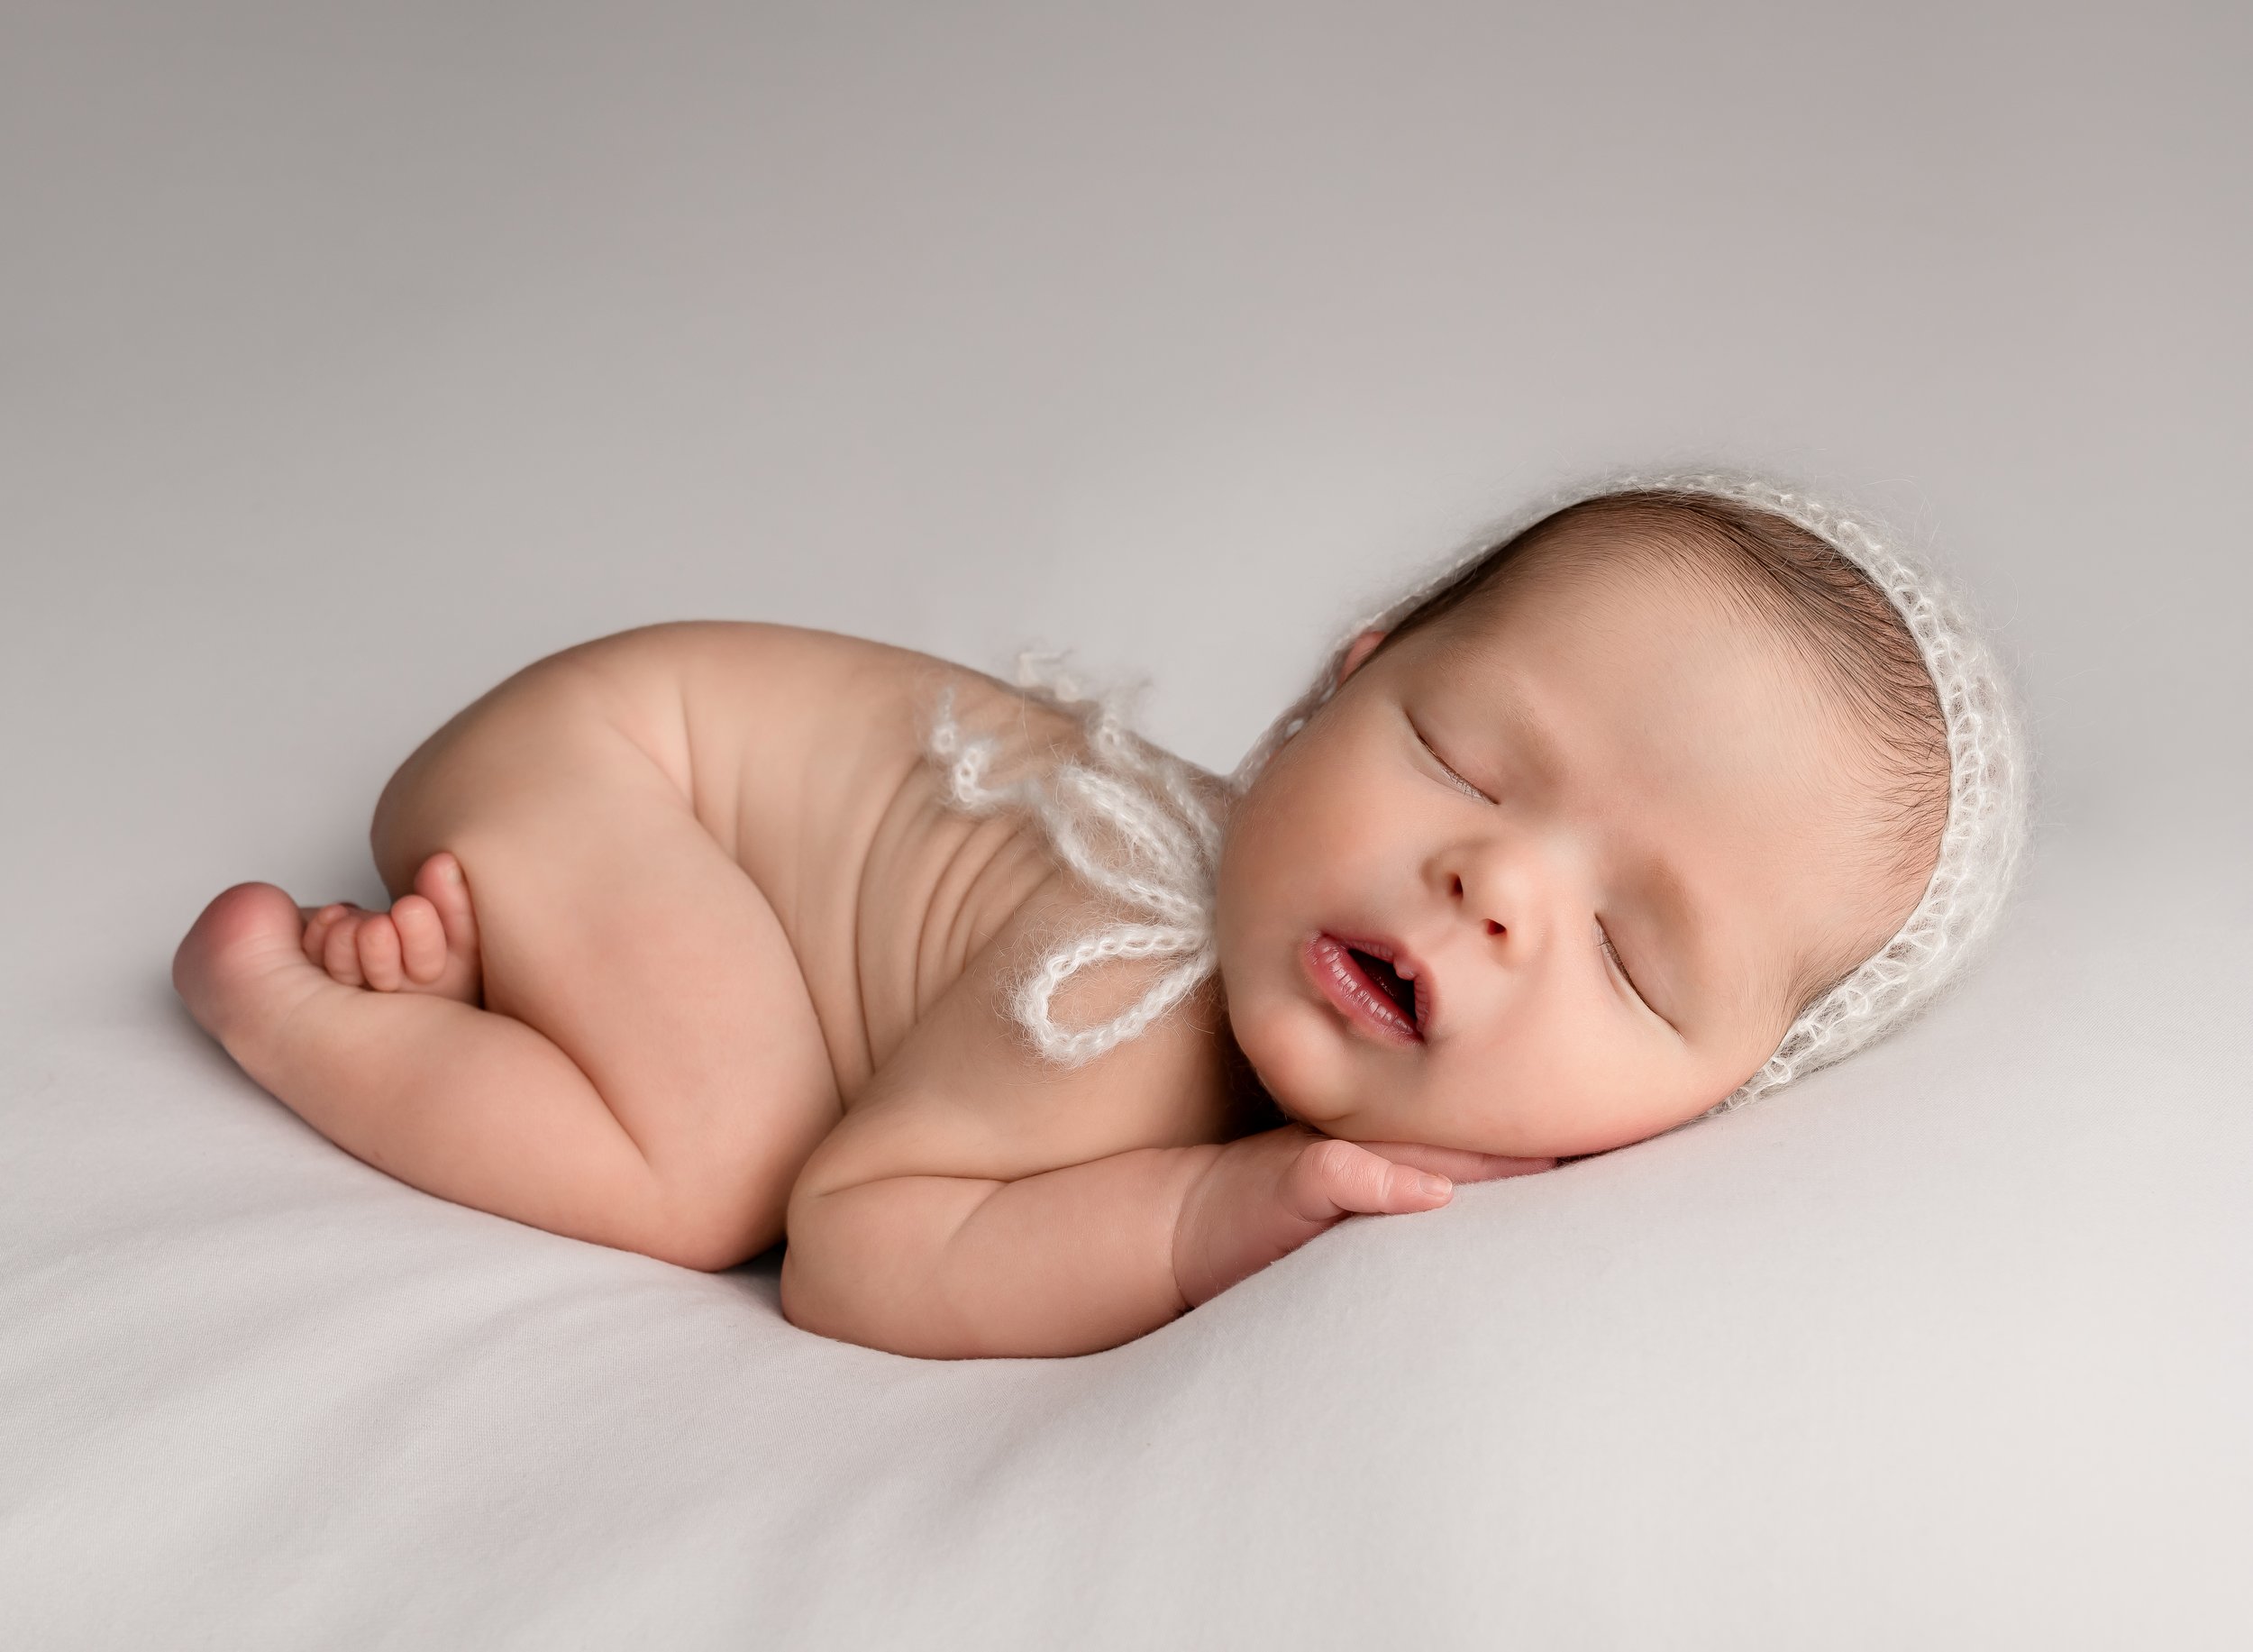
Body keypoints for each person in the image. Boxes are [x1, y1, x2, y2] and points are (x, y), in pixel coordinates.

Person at [171, 470, 2030, 1358]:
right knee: (718, 1164)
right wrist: (1208, 1209)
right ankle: (298, 1001)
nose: (1492, 886)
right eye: (1460, 761)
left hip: (671, 809)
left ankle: (525, 954)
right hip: (614, 764)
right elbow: (852, 1247)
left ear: (1709, 1095)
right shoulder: (1127, 991)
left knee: (754, 1027)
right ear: (1331, 683)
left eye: (1629, 956)